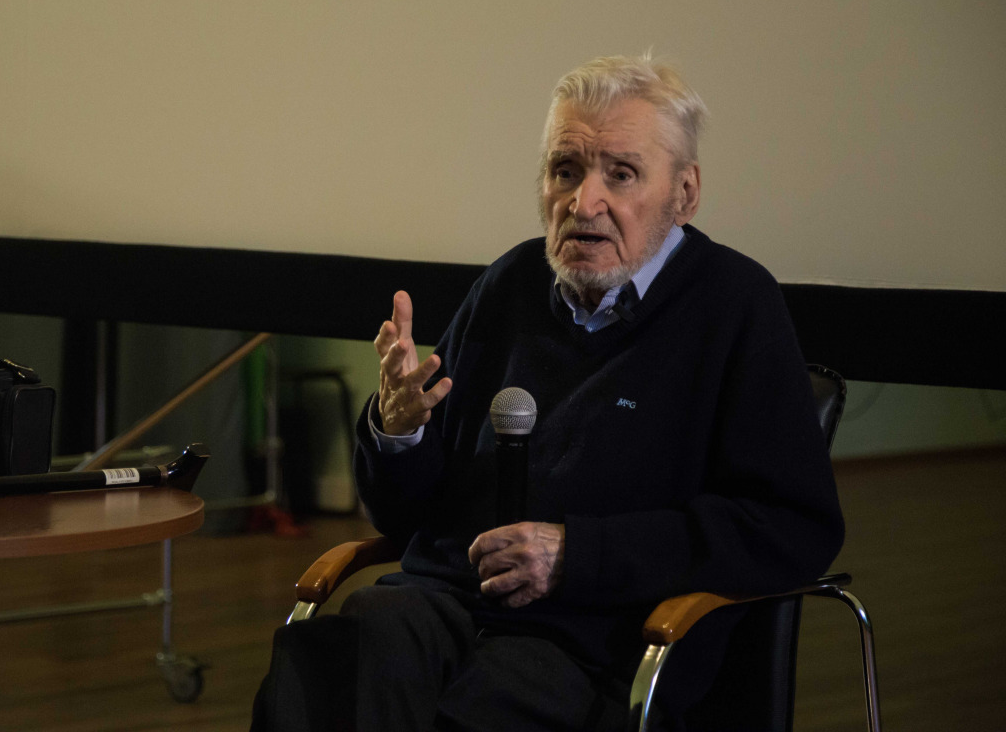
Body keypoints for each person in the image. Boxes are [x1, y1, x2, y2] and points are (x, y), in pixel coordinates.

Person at [251, 54, 844, 731]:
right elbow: (404, 513)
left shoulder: (735, 307)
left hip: (594, 639)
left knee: (470, 712)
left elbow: (791, 528)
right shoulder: (508, 286)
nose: (583, 202)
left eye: (621, 174)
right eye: (566, 170)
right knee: (324, 671)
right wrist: (399, 433)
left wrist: (576, 556)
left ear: (684, 193)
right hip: (442, 603)